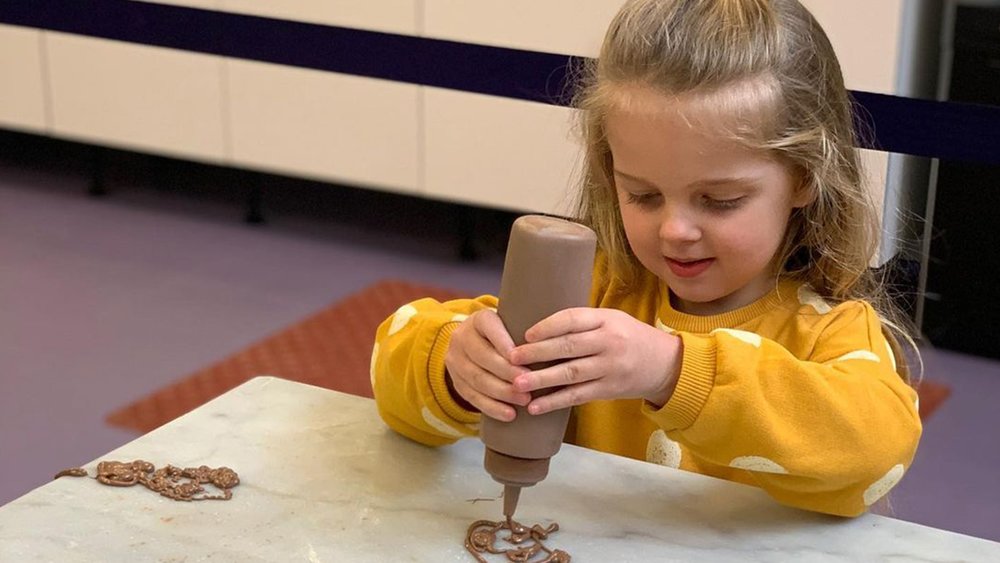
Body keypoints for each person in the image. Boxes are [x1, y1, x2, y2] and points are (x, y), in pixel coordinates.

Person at [370, 0, 921, 518]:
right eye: (643, 195)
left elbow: (874, 453)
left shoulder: (831, 334)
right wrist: (454, 368)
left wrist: (673, 371)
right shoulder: (593, 291)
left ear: (804, 177)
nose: (676, 230)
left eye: (720, 200)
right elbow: (393, 361)